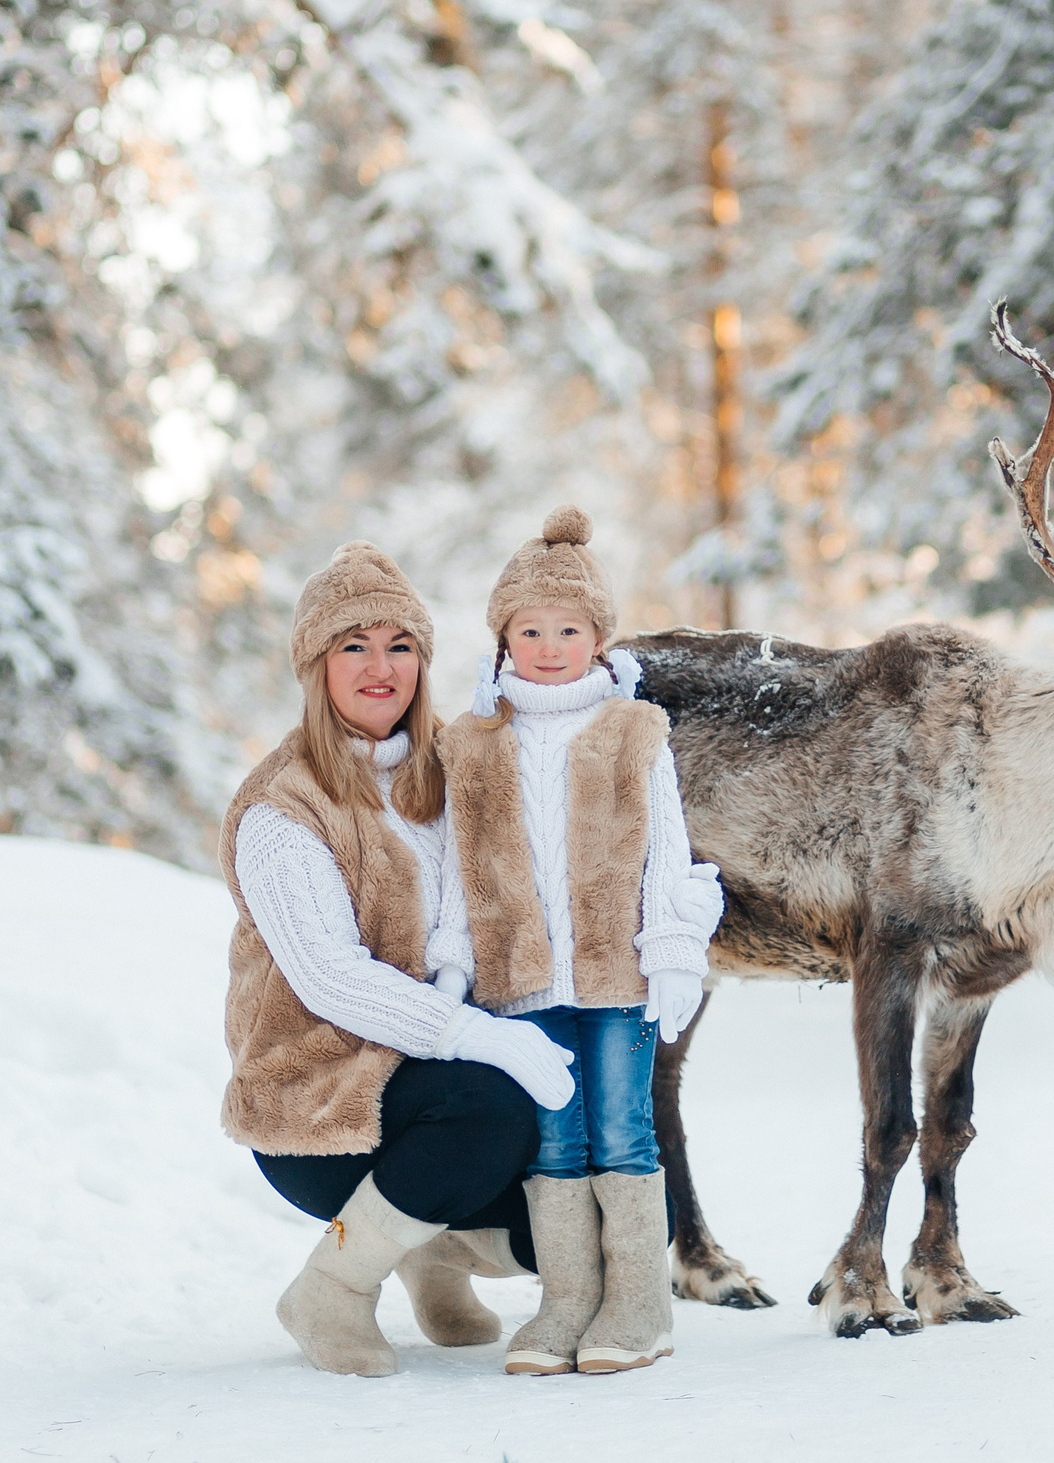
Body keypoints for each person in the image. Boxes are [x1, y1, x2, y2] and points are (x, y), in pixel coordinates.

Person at [219, 541, 580, 1378]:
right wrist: (481, 1036)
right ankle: (334, 1287)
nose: (381, 667)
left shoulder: (449, 767)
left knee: (591, 1201)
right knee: (491, 1105)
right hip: (318, 1105)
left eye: (401, 645)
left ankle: (430, 1253)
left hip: (430, 1079)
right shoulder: (282, 809)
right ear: (316, 664)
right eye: (354, 645)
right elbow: (330, 977)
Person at [441, 506, 725, 1376]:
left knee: (623, 1130)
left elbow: (669, 850)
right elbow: (462, 863)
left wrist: (674, 952)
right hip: (523, 981)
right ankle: (566, 1301)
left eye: (568, 629)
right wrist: (454, 961)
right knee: (554, 1141)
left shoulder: (632, 732)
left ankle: (638, 1301)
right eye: (530, 629)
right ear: (504, 640)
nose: (550, 645)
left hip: (618, 976)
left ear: (598, 637)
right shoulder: (475, 746)